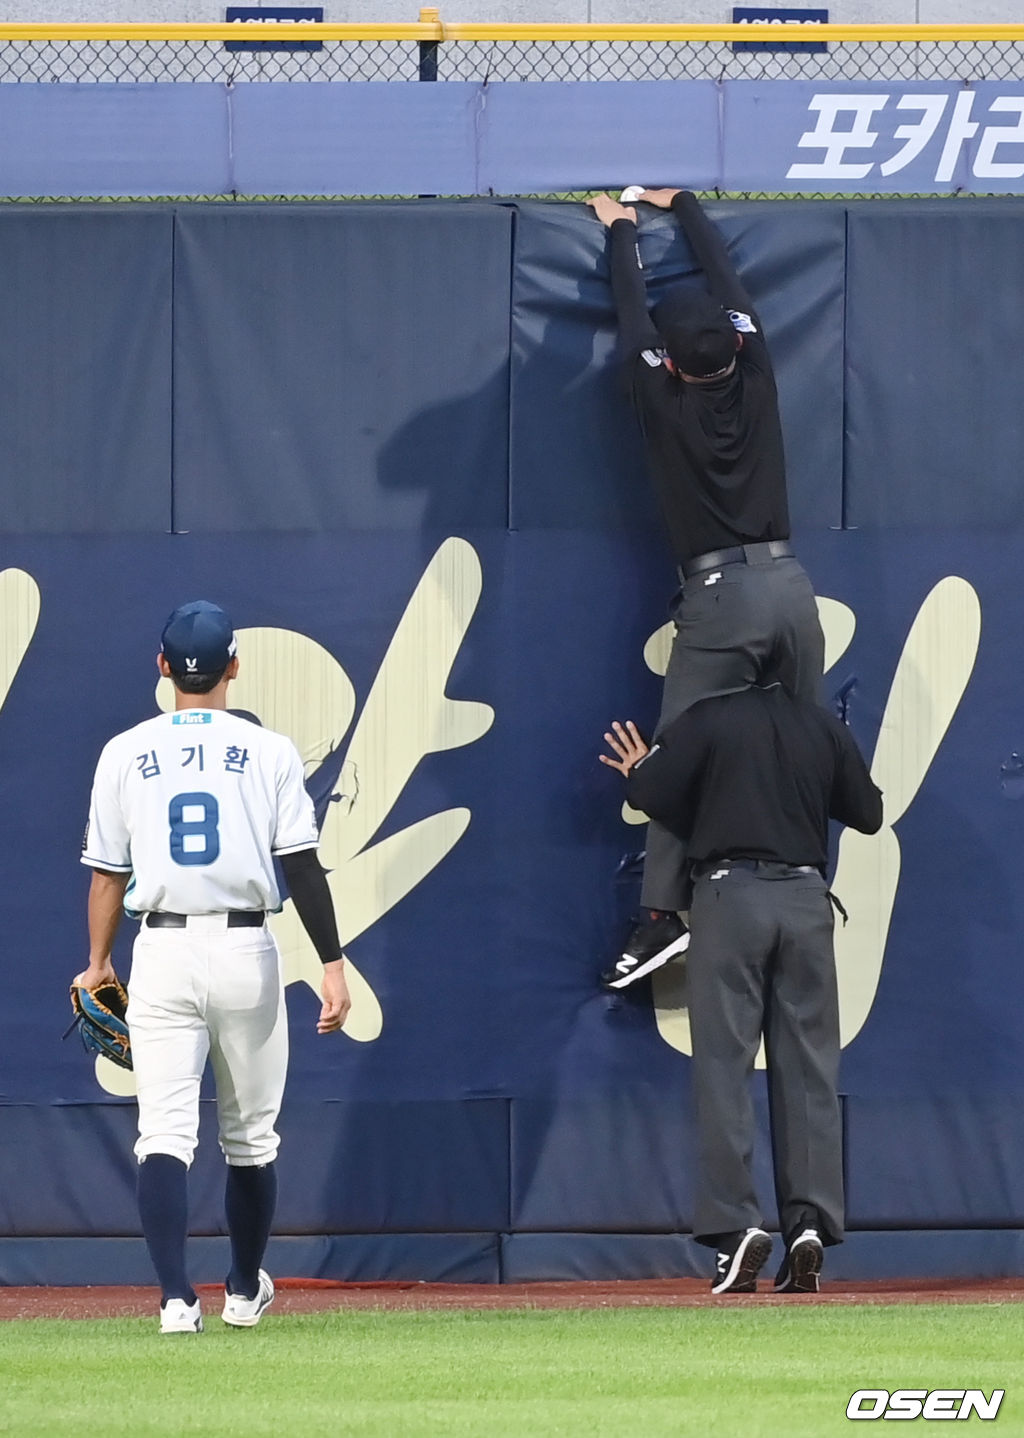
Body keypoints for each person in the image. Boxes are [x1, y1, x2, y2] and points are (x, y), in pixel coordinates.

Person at [76, 600, 351, 1334]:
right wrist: (333, 963)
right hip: (245, 948)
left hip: (161, 947)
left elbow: (107, 875)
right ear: (235, 665)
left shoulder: (124, 750)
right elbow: (302, 865)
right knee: (250, 1136)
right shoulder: (270, 751)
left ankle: (173, 1300)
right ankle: (239, 1289)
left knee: (163, 1133)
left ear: (163, 668)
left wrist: (98, 961)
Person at [588, 186, 826, 990]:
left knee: (677, 754)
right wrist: (683, 204)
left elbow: (632, 314)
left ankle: (660, 917)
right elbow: (730, 286)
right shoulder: (757, 369)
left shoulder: (660, 394)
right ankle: (801, 896)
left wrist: (623, 234)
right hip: (793, 590)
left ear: (675, 364)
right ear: (731, 344)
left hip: (721, 600)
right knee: (807, 747)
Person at [599, 682, 882, 1294]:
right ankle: (807, 1226)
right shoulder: (820, 725)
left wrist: (639, 766)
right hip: (807, 899)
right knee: (809, 1071)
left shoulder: (709, 716)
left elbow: (652, 793)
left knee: (724, 1068)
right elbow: (869, 813)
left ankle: (736, 1231)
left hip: (733, 896)